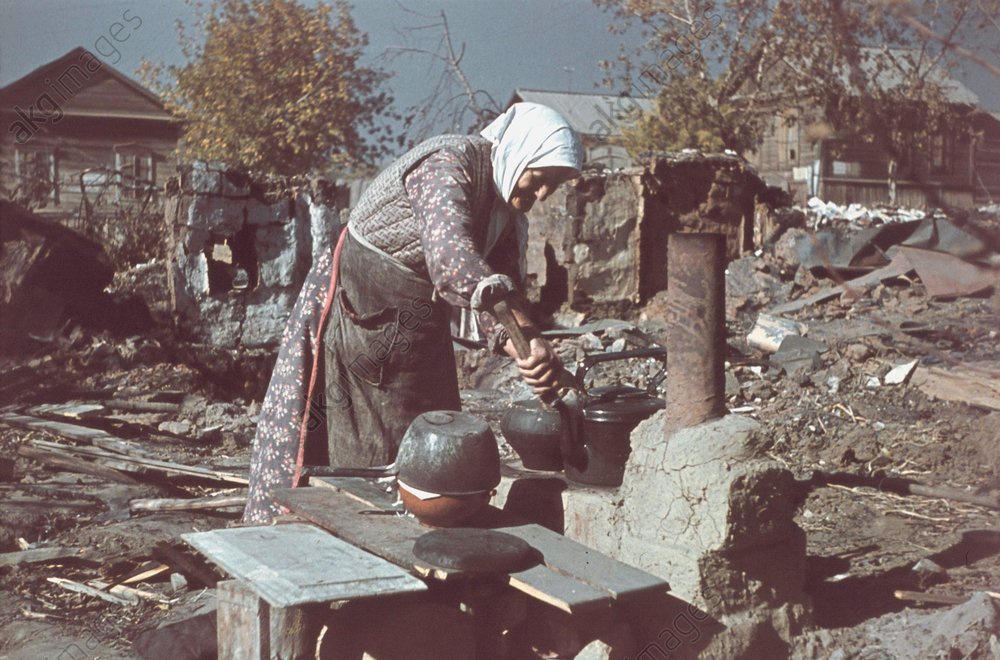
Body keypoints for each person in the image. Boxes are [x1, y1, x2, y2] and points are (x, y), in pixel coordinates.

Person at [243, 102, 584, 523]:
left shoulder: (503, 211)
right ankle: (344, 536)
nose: (545, 194)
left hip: (418, 319)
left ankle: (416, 537)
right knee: (354, 437)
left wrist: (527, 342)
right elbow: (454, 261)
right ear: (520, 151)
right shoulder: (448, 162)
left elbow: (502, 287)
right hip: (364, 312)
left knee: (429, 437)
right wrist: (522, 335)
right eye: (542, 178)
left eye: (556, 186)